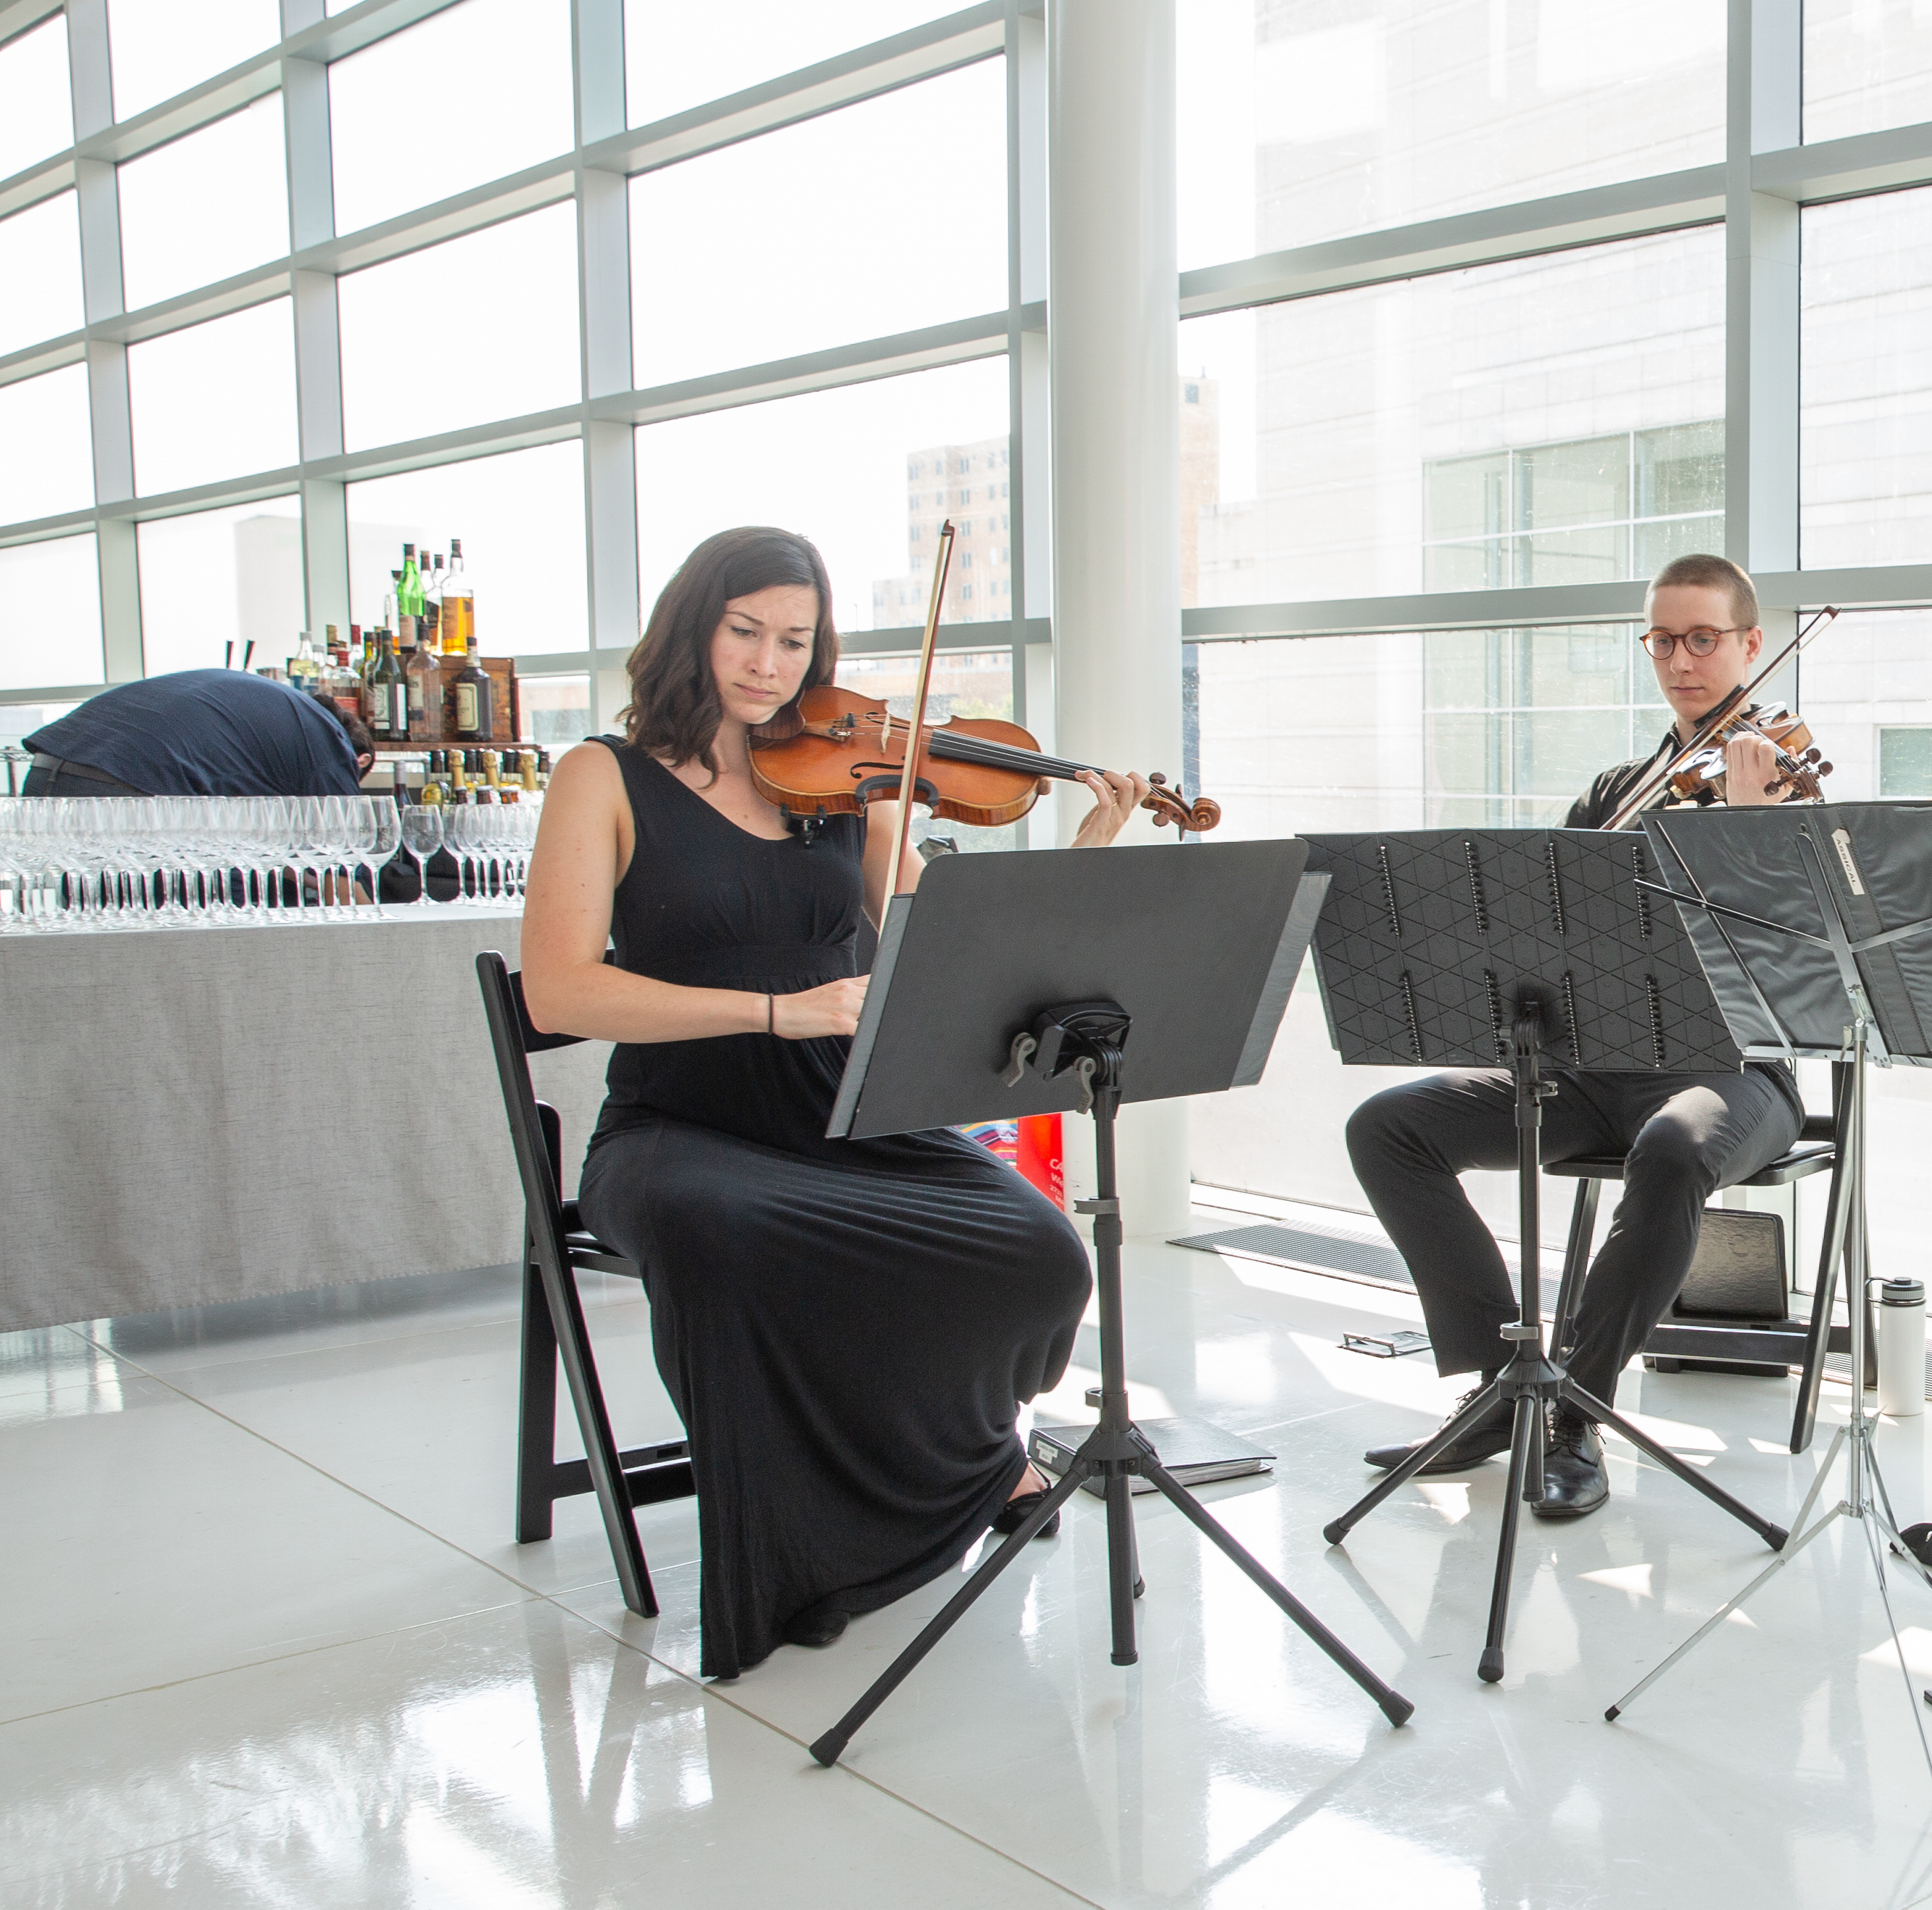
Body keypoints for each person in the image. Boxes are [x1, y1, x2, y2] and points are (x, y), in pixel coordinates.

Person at [518, 526, 1155, 1680]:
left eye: (796, 641)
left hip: (848, 1114)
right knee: (736, 1239)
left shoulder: (845, 782)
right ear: (692, 627)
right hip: (679, 1127)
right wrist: (780, 1011)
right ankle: (809, 1539)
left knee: (1039, 1253)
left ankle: (962, 1459)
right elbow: (562, 991)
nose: (769, 664)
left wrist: (1089, 847)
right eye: (745, 631)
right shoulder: (602, 778)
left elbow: (944, 946)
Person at [1342, 553, 1809, 1522]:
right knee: (1390, 1127)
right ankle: (1497, 1383)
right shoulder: (1618, 790)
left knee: (1675, 1150)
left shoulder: (1792, 791)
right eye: (1663, 639)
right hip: (1595, 1063)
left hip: (1735, 1071)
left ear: (1752, 646)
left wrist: (1751, 835)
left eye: (1704, 639)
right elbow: (1545, 932)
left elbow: (1799, 971)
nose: (1680, 659)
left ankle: (1575, 1414)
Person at [18, 666, 371, 796]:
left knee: (89, 931)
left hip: (44, 773)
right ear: (359, 760)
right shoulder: (328, 742)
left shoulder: (279, 711)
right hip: (125, 791)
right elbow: (337, 858)